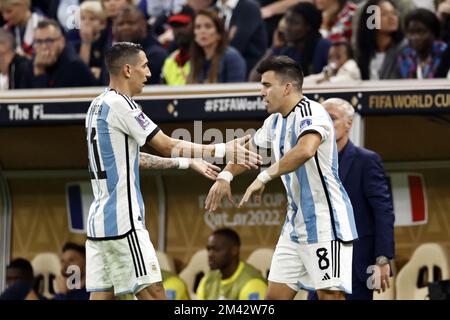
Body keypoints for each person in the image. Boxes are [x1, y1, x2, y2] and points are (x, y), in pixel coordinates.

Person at [85, 42, 261, 300]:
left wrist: (185, 162)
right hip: (123, 222)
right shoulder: (122, 104)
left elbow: (133, 158)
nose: (149, 73)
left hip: (98, 224)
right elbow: (167, 145)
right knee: (156, 294)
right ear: (127, 69)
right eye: (144, 66)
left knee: (101, 297)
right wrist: (224, 150)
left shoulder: (97, 106)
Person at [205, 55, 358, 300]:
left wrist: (264, 176)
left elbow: (306, 149)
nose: (261, 92)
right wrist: (225, 176)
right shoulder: (273, 122)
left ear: (287, 88)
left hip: (325, 223)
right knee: (274, 299)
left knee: (329, 297)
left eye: (266, 85)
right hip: (294, 226)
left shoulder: (314, 112)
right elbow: (247, 152)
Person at [309, 98, 395, 300]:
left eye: (332, 118)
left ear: (349, 123)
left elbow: (383, 211)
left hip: (356, 264)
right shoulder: (311, 161)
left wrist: (382, 258)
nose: (326, 125)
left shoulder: (366, 161)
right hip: (320, 262)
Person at [22, 19, 97, 88]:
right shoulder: (32, 65)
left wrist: (40, 73)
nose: (44, 46)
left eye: (49, 41)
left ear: (62, 41)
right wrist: (38, 69)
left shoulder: (74, 66)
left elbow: (51, 100)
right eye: (38, 42)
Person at [196, 228, 267, 300]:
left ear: (234, 250)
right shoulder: (207, 281)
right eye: (209, 249)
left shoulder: (252, 284)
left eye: (216, 249)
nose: (210, 255)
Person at [188, 8, 246, 83]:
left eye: (208, 26)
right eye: (198, 27)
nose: (202, 31)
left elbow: (236, 92)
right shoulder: (194, 59)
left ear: (219, 34)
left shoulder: (232, 57)